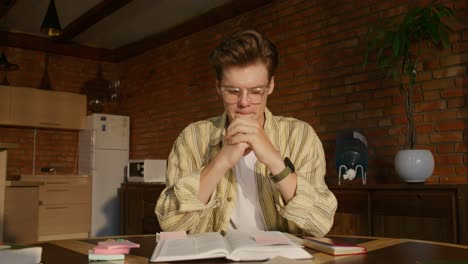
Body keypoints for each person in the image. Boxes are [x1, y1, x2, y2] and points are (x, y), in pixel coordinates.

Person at [155, 29, 337, 236]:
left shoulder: (301, 135)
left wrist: (275, 161)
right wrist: (220, 162)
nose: (244, 102)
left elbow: (320, 224)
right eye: (233, 91)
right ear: (218, 87)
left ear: (270, 86)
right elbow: (170, 224)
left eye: (255, 91)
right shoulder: (192, 138)